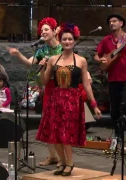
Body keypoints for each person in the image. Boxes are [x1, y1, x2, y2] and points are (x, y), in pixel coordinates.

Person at [36, 23, 102, 176]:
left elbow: (86, 83)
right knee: (55, 134)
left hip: (72, 100)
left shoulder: (81, 60)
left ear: (74, 41)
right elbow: (44, 82)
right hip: (56, 99)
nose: (67, 42)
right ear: (61, 40)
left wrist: (94, 104)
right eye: (64, 39)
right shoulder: (52, 59)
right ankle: (62, 161)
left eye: (70, 39)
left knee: (66, 134)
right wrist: (41, 69)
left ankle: (70, 162)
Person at [8, 17, 63, 166]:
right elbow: (29, 63)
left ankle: (63, 157)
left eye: (46, 29)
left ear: (54, 31)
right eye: (42, 30)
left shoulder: (62, 47)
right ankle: (52, 156)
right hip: (48, 88)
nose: (43, 32)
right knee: (48, 121)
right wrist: (18, 54)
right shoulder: (41, 50)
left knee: (59, 122)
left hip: (62, 87)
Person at [94, 14, 126, 143]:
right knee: (114, 107)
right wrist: (101, 59)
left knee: (125, 104)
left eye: (114, 21)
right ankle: (118, 133)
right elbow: (96, 56)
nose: (112, 23)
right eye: (110, 22)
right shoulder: (106, 40)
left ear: (121, 23)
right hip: (113, 77)